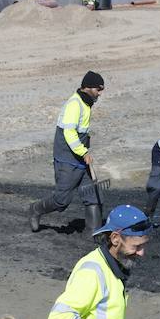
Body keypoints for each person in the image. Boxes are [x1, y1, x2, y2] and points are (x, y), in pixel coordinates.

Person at [29, 70, 105, 235]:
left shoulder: (85, 104)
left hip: (79, 158)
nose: (99, 93)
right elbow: (69, 133)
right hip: (68, 160)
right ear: (87, 87)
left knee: (92, 195)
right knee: (61, 201)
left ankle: (95, 235)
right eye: (98, 90)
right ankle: (35, 209)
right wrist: (83, 152)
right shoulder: (74, 105)